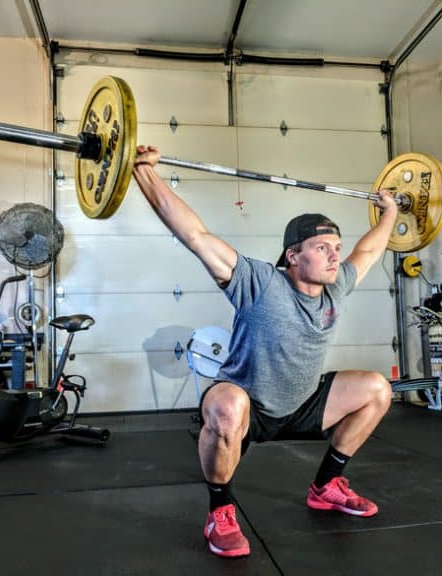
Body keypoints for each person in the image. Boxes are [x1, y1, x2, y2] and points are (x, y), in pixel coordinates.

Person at [133, 145, 398, 558]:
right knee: (225, 407)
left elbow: (369, 250)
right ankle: (220, 510)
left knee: (378, 389)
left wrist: (391, 214)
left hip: (304, 402)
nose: (335, 255)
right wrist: (144, 172)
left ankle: (326, 485)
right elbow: (194, 235)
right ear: (294, 256)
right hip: (248, 403)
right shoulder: (259, 282)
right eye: (323, 247)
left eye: (336, 246)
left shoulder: (337, 286)